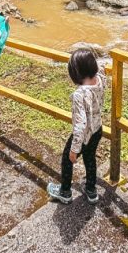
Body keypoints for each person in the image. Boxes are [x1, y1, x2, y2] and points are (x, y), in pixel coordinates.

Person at [48, 48, 105, 204]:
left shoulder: (79, 95)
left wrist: (74, 150)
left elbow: (80, 125)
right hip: (97, 130)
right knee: (90, 158)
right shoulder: (100, 79)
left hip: (84, 134)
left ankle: (65, 192)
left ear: (75, 74)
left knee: (67, 160)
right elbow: (102, 67)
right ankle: (91, 191)